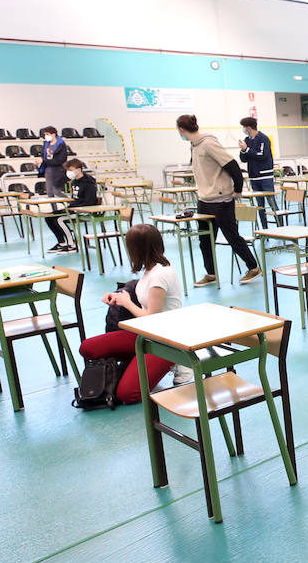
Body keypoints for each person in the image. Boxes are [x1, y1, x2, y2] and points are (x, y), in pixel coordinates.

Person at [79, 224, 188, 403]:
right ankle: (139, 363)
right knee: (88, 348)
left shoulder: (160, 275)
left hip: (165, 340)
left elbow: (152, 317)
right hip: (146, 335)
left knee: (127, 395)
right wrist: (119, 296)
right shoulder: (150, 269)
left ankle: (176, 360)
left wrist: (126, 303)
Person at [177, 114, 262, 287]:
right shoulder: (194, 146)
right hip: (205, 200)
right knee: (205, 241)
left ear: (181, 130)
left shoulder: (208, 143)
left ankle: (253, 268)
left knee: (232, 236)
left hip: (222, 199)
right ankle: (211, 274)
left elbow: (233, 166)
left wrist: (238, 189)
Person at [45, 158, 98, 254]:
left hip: (85, 210)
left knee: (59, 219)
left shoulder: (88, 182)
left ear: (79, 169)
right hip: (74, 208)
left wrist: (74, 208)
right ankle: (62, 243)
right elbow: (74, 199)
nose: (68, 172)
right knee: (49, 217)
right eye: (68, 170)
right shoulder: (74, 182)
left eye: (70, 170)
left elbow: (89, 201)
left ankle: (72, 245)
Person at [238, 117, 278, 230]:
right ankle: (265, 230)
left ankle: (281, 227)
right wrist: (243, 150)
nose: (243, 129)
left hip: (265, 175)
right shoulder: (247, 140)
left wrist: (247, 149)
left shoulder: (263, 139)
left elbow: (262, 155)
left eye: (244, 127)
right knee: (260, 206)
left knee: (272, 203)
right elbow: (244, 158)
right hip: (254, 176)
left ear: (249, 127)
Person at [40, 126, 71, 198]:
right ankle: (54, 208)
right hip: (48, 170)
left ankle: (69, 202)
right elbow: (44, 155)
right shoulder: (46, 144)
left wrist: (45, 161)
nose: (46, 136)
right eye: (45, 134)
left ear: (53, 134)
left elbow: (61, 159)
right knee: (49, 193)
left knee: (56, 191)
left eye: (47, 134)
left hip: (58, 171)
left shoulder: (61, 144)